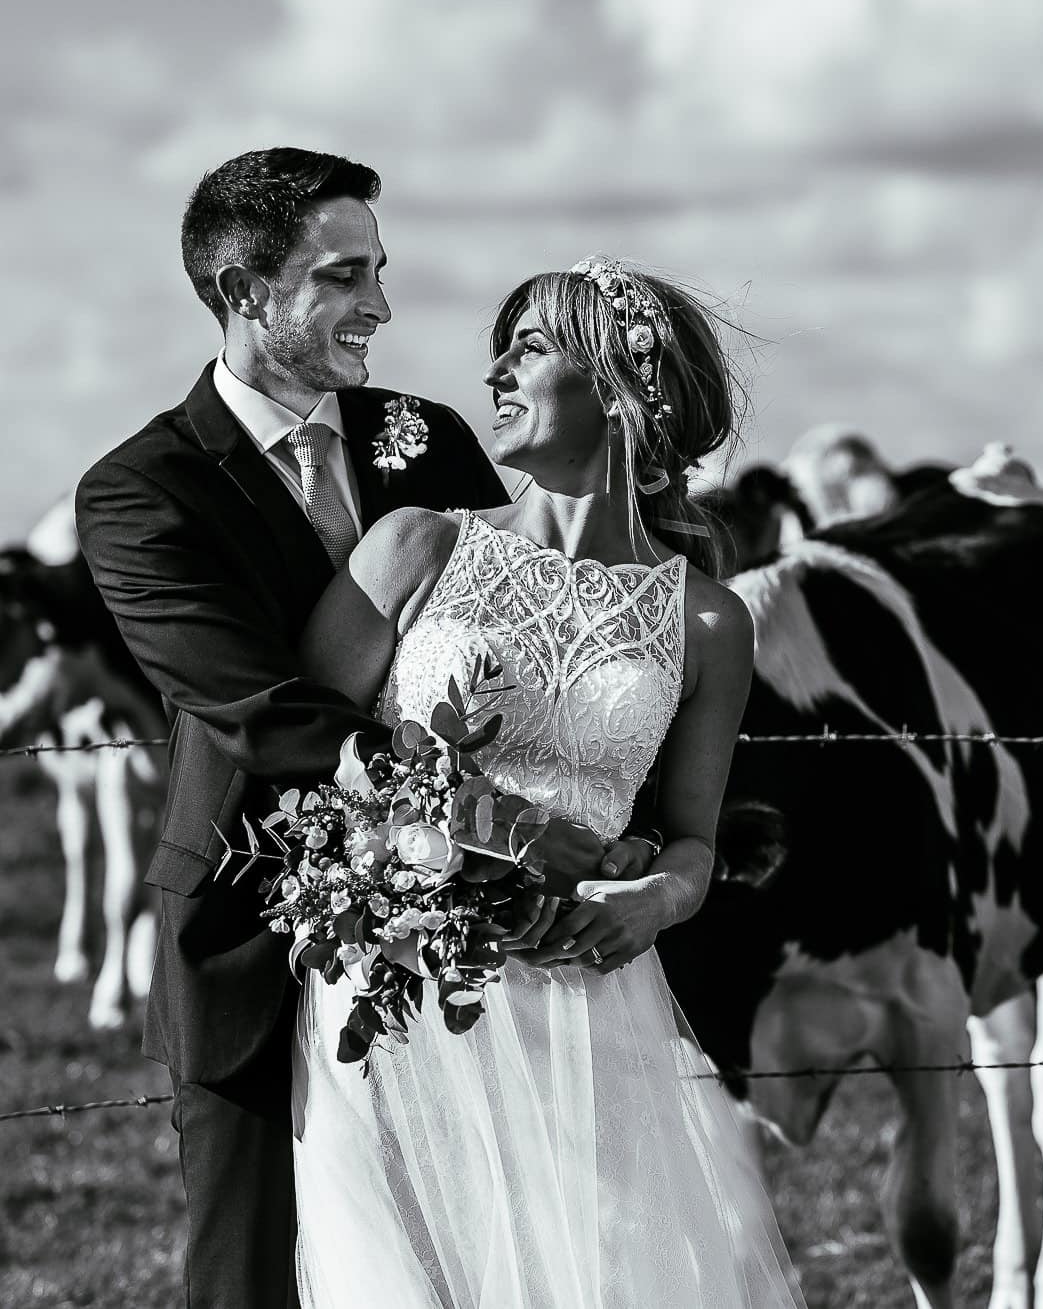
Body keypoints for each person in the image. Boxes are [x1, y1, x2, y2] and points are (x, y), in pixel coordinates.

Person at [75, 149, 657, 1308]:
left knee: (456, 1259)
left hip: (449, 943)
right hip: (253, 934)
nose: (380, 307)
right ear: (245, 295)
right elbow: (260, 709)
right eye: (343, 277)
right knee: (254, 1279)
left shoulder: (426, 435)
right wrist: (496, 822)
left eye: (379, 271)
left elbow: (528, 629)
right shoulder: (142, 492)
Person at [287, 256, 804, 1306]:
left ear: (620, 384)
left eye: (527, 347)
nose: (495, 374)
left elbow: (695, 840)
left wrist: (658, 896)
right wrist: (463, 825)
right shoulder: (416, 547)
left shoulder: (707, 619)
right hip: (401, 1007)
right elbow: (300, 757)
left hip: (589, 1012)